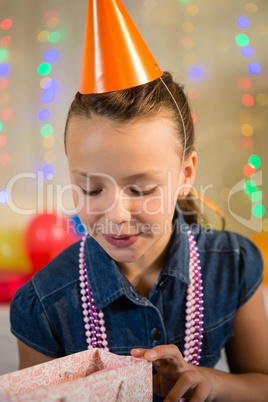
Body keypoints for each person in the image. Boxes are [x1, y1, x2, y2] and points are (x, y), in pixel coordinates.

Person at [10, 71, 268, 401]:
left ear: (186, 174)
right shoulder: (43, 303)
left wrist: (211, 382)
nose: (116, 215)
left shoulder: (233, 264)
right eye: (91, 188)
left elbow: (262, 383)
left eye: (141, 189)